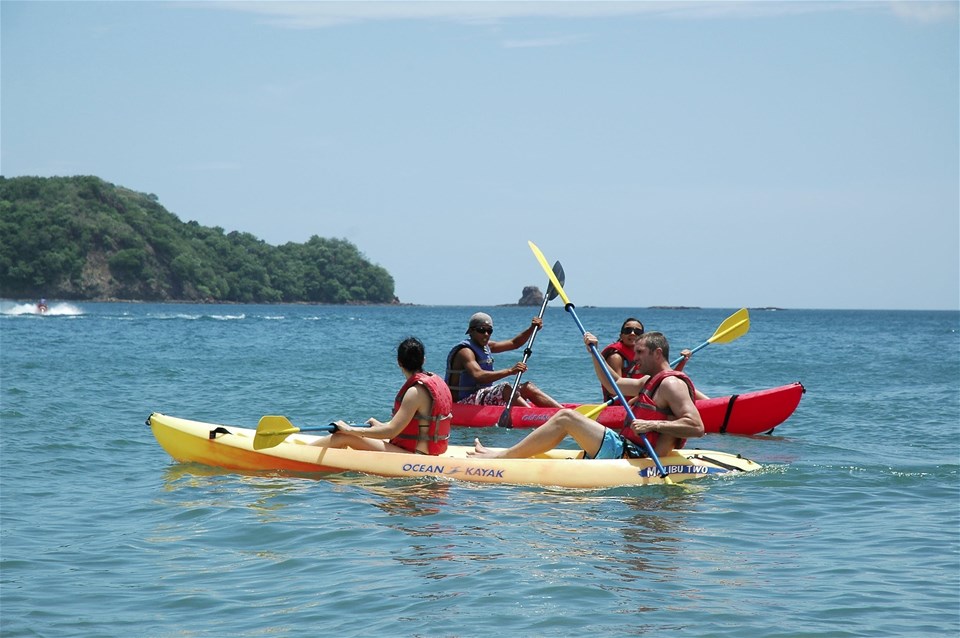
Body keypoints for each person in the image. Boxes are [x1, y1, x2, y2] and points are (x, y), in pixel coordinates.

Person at [469, 331, 704, 460]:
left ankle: (504, 458)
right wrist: (593, 352)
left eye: (641, 352)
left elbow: (696, 426)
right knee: (567, 419)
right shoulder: (648, 381)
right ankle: (507, 454)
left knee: (566, 417)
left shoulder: (671, 383)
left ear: (658, 353)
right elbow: (615, 385)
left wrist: (652, 424)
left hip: (635, 454)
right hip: (629, 447)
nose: (634, 358)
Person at [310, 337, 453, 455]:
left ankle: (302, 453)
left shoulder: (414, 392)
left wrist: (350, 430)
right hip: (429, 453)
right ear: (424, 360)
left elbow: (391, 432)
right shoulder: (436, 382)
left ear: (399, 362)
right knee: (350, 435)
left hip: (415, 458)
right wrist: (380, 426)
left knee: (342, 436)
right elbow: (415, 425)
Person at [445, 312, 562, 408]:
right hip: (463, 404)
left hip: (482, 397)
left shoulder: (487, 347)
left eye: (489, 330)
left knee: (527, 387)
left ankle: (564, 413)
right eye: (481, 330)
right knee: (505, 388)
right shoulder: (465, 351)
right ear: (471, 331)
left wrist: (532, 328)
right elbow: (478, 375)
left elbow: (514, 343)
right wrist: (510, 371)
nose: (486, 334)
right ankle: (531, 416)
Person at [600, 317, 708, 402]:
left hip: (644, 395)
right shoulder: (616, 357)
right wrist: (641, 396)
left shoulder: (647, 355)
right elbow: (616, 391)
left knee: (680, 384)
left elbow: (666, 376)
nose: (632, 333)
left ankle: (713, 403)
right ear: (621, 335)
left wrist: (683, 360)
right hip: (625, 406)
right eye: (628, 330)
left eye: (637, 332)